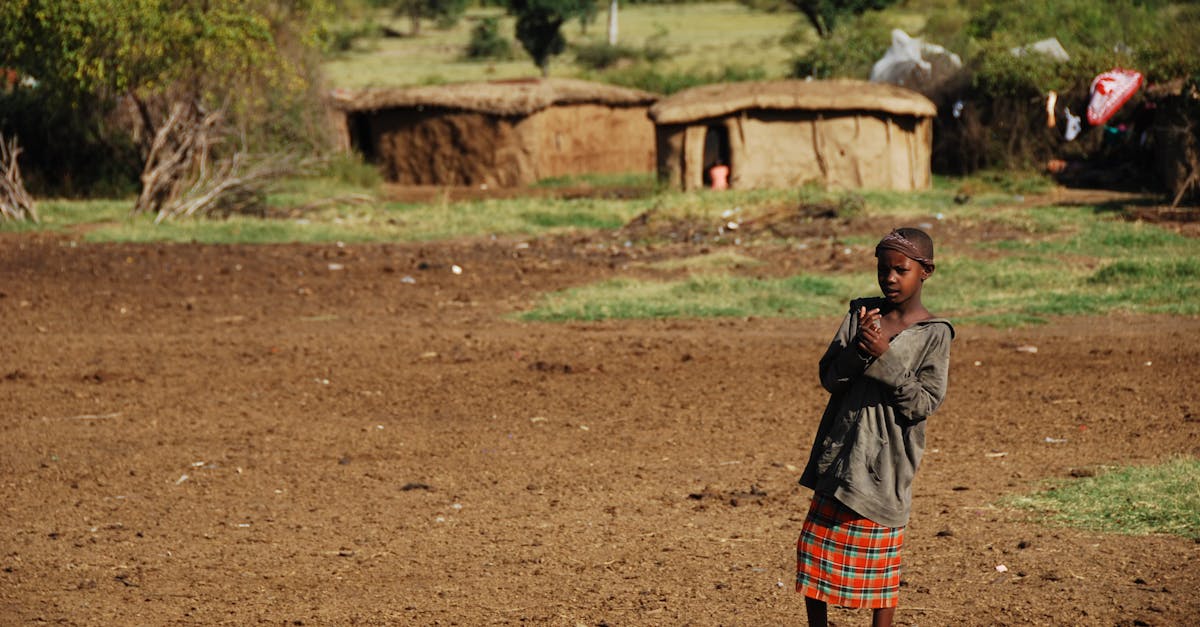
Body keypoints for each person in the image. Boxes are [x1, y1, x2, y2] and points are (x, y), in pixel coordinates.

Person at [795, 227, 954, 627]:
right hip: (841, 456)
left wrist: (885, 357)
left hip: (887, 464)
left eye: (901, 270)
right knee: (814, 560)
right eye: (883, 270)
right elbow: (830, 378)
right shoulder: (862, 315)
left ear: (926, 272)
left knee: (880, 574)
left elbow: (923, 404)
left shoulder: (934, 333)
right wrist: (857, 352)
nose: (890, 279)